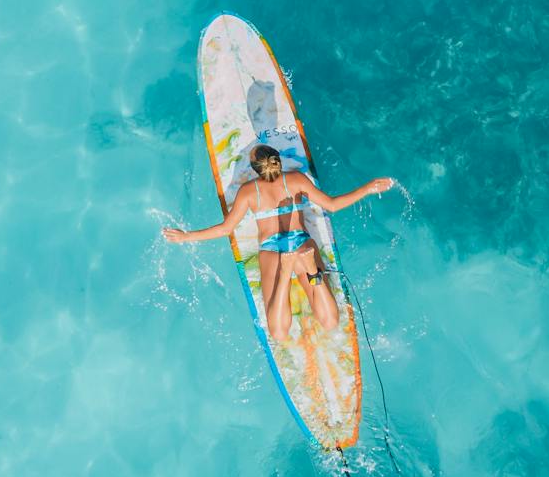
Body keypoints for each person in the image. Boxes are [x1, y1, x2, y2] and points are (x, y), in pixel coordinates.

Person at [162, 144, 393, 341]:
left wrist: (186, 236)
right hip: (302, 243)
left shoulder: (248, 192)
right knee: (330, 322)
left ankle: (285, 275)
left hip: (272, 250)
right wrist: (368, 188)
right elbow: (331, 205)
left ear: (255, 170)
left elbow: (226, 229)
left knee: (279, 333)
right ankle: (313, 274)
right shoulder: (296, 180)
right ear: (278, 162)